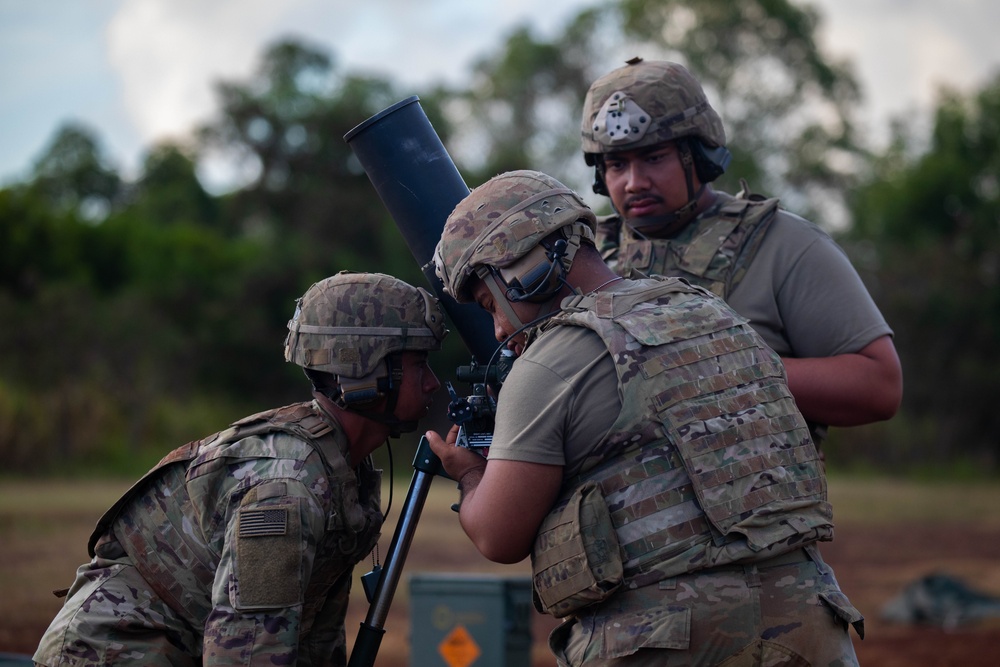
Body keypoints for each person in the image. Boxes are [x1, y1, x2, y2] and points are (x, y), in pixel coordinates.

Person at [426, 170, 864, 666]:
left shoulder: (547, 363)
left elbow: (497, 535)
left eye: (490, 303)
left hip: (669, 637)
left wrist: (469, 474)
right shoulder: (711, 311)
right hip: (811, 624)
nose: (500, 326)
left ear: (525, 270)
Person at [33, 271, 448, 667]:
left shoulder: (342, 465)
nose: (432, 383)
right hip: (117, 647)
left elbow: (313, 634)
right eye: (418, 365)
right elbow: (247, 650)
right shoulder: (286, 487)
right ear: (369, 370)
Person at [580, 57, 902, 445]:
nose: (634, 182)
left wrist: (722, 369)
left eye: (654, 157)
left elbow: (879, 386)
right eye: (616, 164)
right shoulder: (584, 254)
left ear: (697, 157)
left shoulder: (781, 242)